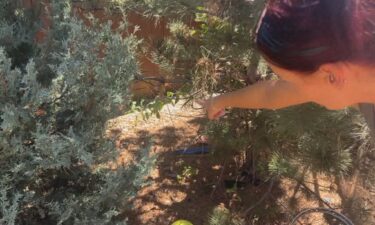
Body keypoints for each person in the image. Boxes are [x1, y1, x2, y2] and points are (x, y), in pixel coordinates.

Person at [203, 0, 375, 134]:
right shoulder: (359, 85)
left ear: (332, 76)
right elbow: (270, 94)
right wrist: (218, 101)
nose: (290, 86)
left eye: (290, 80)